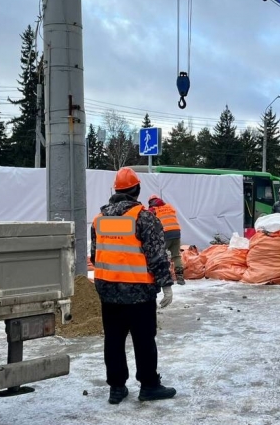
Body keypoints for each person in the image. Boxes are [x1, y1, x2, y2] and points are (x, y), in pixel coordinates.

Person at [90, 167, 177, 404]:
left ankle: (116, 388)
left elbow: (95, 255)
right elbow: (157, 256)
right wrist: (166, 285)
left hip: (108, 291)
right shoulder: (144, 218)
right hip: (139, 292)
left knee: (114, 340)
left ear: (115, 191)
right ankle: (149, 385)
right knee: (144, 340)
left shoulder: (99, 219)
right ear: (137, 190)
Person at [148, 195, 186, 285]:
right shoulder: (169, 206)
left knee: (160, 255)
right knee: (176, 255)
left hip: (165, 233)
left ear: (151, 202)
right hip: (176, 232)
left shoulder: (153, 209)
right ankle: (180, 277)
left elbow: (148, 220)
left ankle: (164, 276)